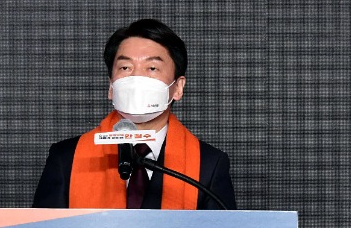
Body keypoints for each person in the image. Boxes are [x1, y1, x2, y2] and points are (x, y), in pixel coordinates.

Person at [33, 19, 236, 209]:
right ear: (111, 86)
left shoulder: (209, 164)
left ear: (178, 87)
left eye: (152, 68)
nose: (137, 77)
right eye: (125, 67)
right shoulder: (66, 158)